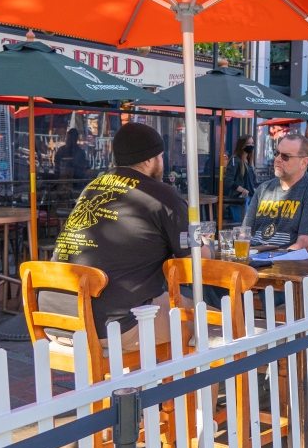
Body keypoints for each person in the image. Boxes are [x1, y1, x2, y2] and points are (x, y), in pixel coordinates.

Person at [43, 122, 210, 351]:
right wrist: (207, 243)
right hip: (108, 327)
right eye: (161, 156)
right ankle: (193, 387)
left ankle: (142, 385)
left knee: (154, 304)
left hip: (54, 320)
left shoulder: (93, 187)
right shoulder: (163, 195)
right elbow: (196, 261)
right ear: (150, 160)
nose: (163, 162)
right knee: (211, 322)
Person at [244, 134, 308, 251]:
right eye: (276, 153)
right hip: (254, 257)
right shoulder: (264, 188)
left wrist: (277, 259)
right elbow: (245, 232)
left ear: (304, 162)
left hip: (289, 262)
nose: (278, 159)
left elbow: (306, 244)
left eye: (285, 156)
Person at [225, 135, 256, 223]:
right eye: (248, 143)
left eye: (252, 143)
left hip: (250, 197)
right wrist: (242, 190)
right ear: (242, 145)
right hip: (239, 198)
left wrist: (253, 189)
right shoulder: (235, 160)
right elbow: (228, 180)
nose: (251, 146)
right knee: (242, 226)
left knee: (249, 225)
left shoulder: (250, 162)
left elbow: (250, 181)